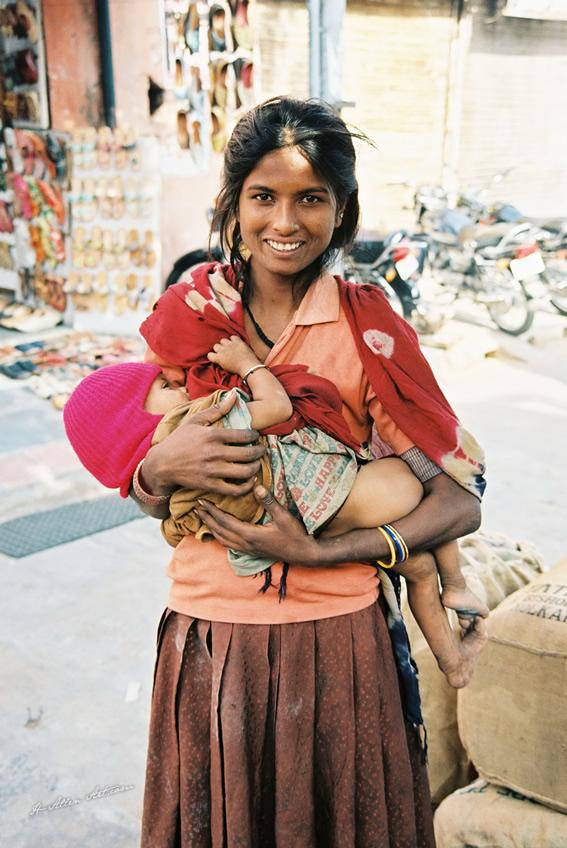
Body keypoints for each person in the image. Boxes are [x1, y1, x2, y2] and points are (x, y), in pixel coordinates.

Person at [127, 97, 487, 846]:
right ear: (233, 204)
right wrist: (157, 467)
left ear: (341, 209)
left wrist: (323, 550)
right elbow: (141, 478)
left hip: (337, 644)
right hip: (210, 638)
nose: (283, 222)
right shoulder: (190, 311)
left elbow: (458, 496)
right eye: (263, 196)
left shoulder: (368, 327)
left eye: (310, 198)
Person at [64, 343, 488, 671]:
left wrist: (154, 471)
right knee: (417, 503)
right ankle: (453, 613)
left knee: (417, 562)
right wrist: (154, 469)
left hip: (325, 576)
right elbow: (274, 408)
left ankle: (452, 653)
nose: (176, 383)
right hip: (240, 594)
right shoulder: (197, 390)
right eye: (162, 386)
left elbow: (460, 505)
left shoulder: (359, 321)